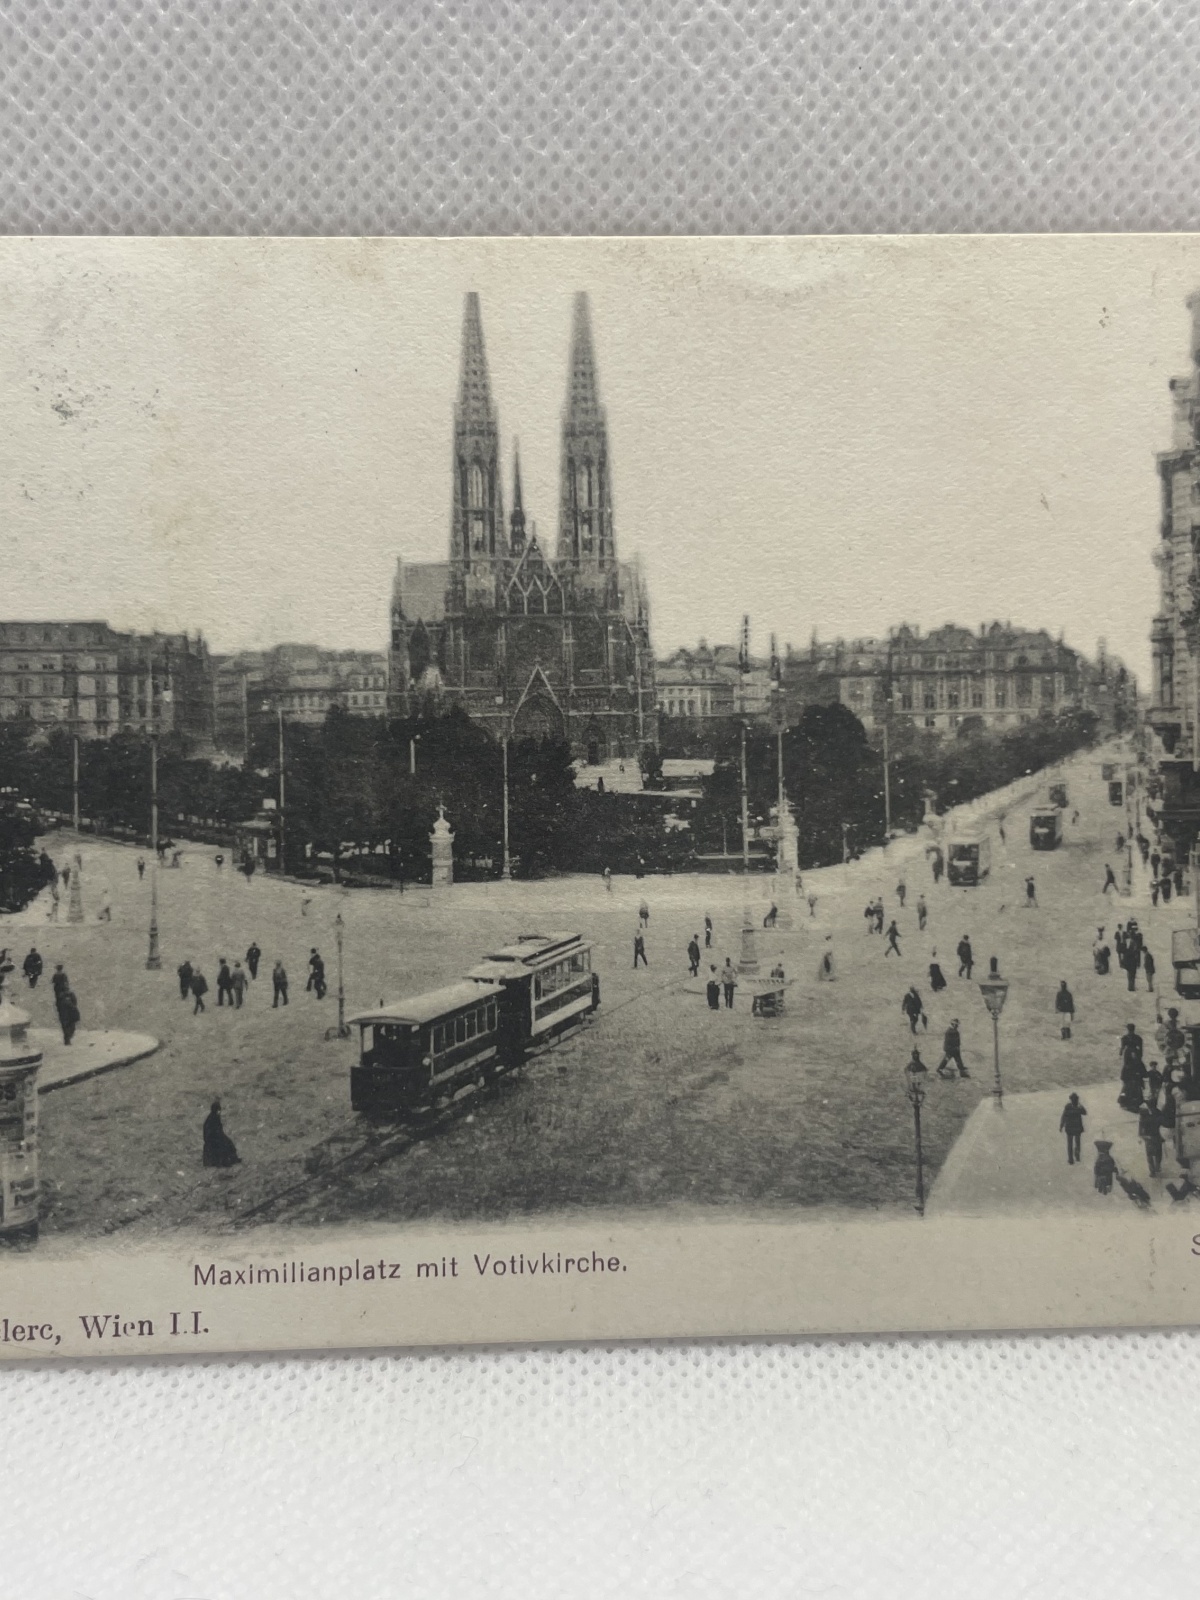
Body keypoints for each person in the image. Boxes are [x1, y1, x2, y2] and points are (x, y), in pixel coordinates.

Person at [202, 1099, 240, 1168]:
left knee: (229, 1145)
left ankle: (231, 1160)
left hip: (217, 1139)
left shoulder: (215, 1117)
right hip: (213, 1142)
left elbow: (219, 1130)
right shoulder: (211, 1119)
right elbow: (210, 1133)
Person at [1059, 1094, 1087, 1164]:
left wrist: (1061, 1126)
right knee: (1077, 1143)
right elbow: (1085, 1112)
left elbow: (1064, 1117)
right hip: (1077, 1128)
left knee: (1070, 1144)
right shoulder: (1078, 1107)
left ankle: (1071, 1159)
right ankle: (1077, 1157)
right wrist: (1081, 1105)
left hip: (1070, 1128)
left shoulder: (1068, 1107)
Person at [1138, 1102, 1164, 1177]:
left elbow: (1140, 1129)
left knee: (1150, 1154)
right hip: (1156, 1136)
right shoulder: (1158, 1113)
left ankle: (1153, 1170)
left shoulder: (1143, 1116)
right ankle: (1157, 1167)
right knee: (1158, 1153)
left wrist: (1142, 1135)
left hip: (1149, 1137)